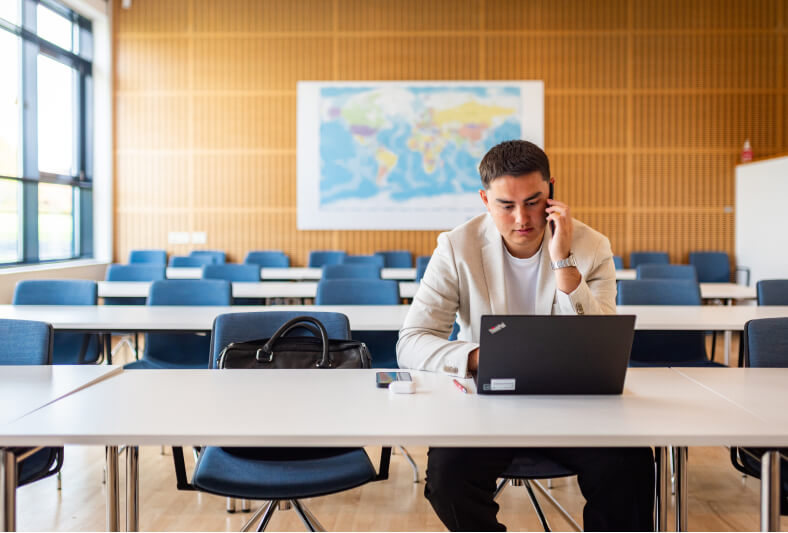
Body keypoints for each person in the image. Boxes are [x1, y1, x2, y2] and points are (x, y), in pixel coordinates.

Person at [397, 140, 654, 531]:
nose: (522, 218)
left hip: (572, 404)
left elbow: (601, 341)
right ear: (485, 199)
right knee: (447, 479)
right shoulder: (456, 246)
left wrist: (563, 261)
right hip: (486, 406)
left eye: (534, 201)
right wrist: (482, 356)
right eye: (506, 205)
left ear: (551, 189)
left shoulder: (592, 246)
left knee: (631, 468)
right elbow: (412, 340)